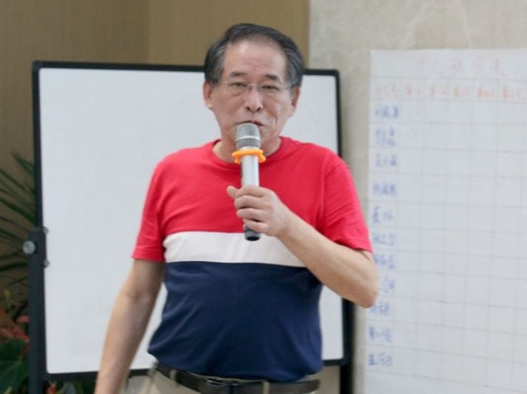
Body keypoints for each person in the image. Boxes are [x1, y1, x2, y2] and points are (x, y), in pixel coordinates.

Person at [95, 23, 378, 394]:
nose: (254, 102)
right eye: (239, 83)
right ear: (209, 93)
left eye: (270, 87)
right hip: (174, 385)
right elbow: (138, 294)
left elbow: (365, 289)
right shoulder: (173, 171)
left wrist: (287, 226)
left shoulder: (324, 169)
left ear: (293, 99)